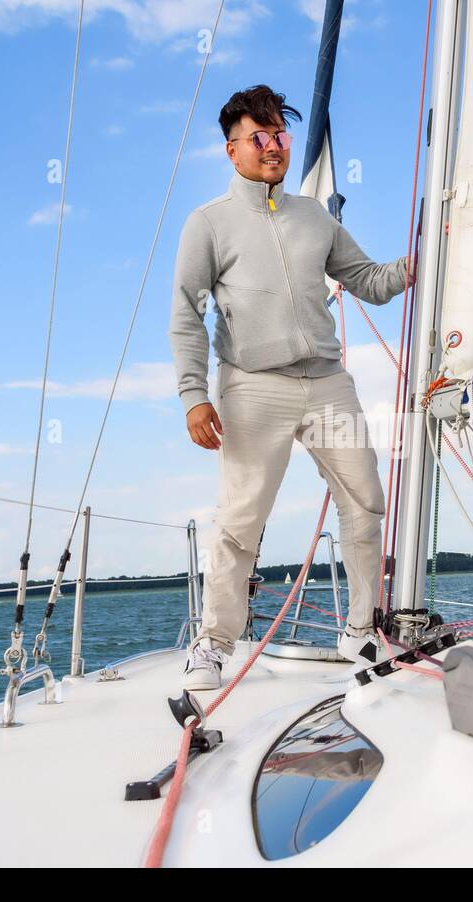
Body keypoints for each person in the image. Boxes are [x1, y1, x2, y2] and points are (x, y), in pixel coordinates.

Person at [169, 84, 412, 691]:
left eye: (279, 133)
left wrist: (425, 258)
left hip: (327, 383)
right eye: (260, 136)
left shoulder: (314, 217)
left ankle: (361, 629)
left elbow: (371, 282)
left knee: (365, 502)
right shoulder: (209, 225)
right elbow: (185, 312)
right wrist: (193, 395)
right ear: (232, 150)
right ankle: (215, 643)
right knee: (240, 520)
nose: (274, 145)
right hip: (252, 387)